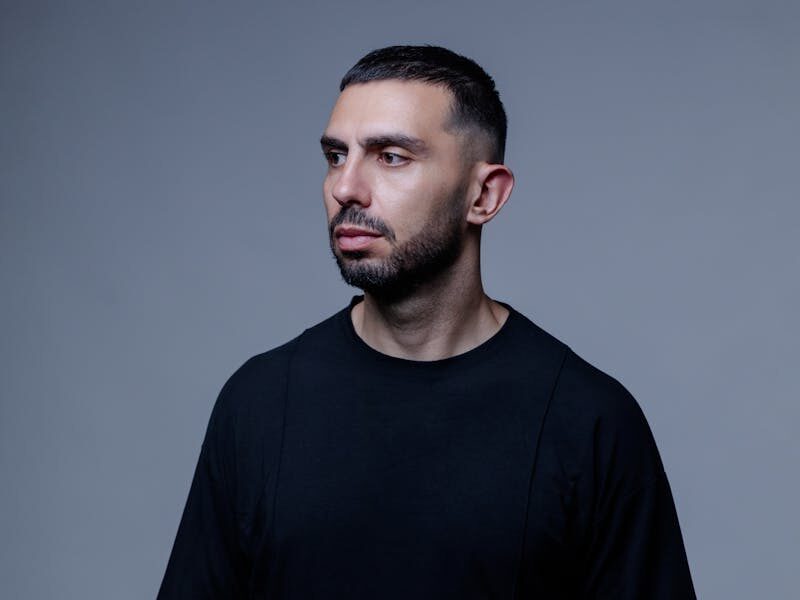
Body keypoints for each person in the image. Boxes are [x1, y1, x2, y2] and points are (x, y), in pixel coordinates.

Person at [157, 45, 696, 599]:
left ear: (484, 195)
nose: (345, 188)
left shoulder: (590, 422)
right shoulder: (259, 402)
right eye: (336, 155)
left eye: (390, 156)